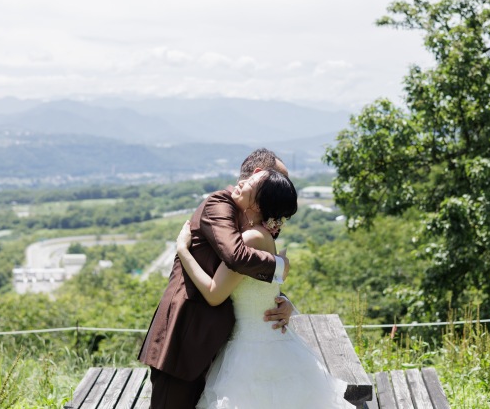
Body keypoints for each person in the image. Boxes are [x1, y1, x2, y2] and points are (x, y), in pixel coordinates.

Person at [175, 169, 357, 408]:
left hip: (253, 350)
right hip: (267, 341)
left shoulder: (250, 238)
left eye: (252, 182)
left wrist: (182, 251)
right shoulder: (263, 236)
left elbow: (214, 293)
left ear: (260, 204)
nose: (242, 182)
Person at [138, 149, 295, 409]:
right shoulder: (219, 204)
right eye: (279, 180)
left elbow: (247, 281)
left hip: (222, 343)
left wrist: (283, 300)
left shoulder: (254, 226)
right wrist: (279, 266)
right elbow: (235, 256)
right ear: (259, 176)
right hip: (186, 336)